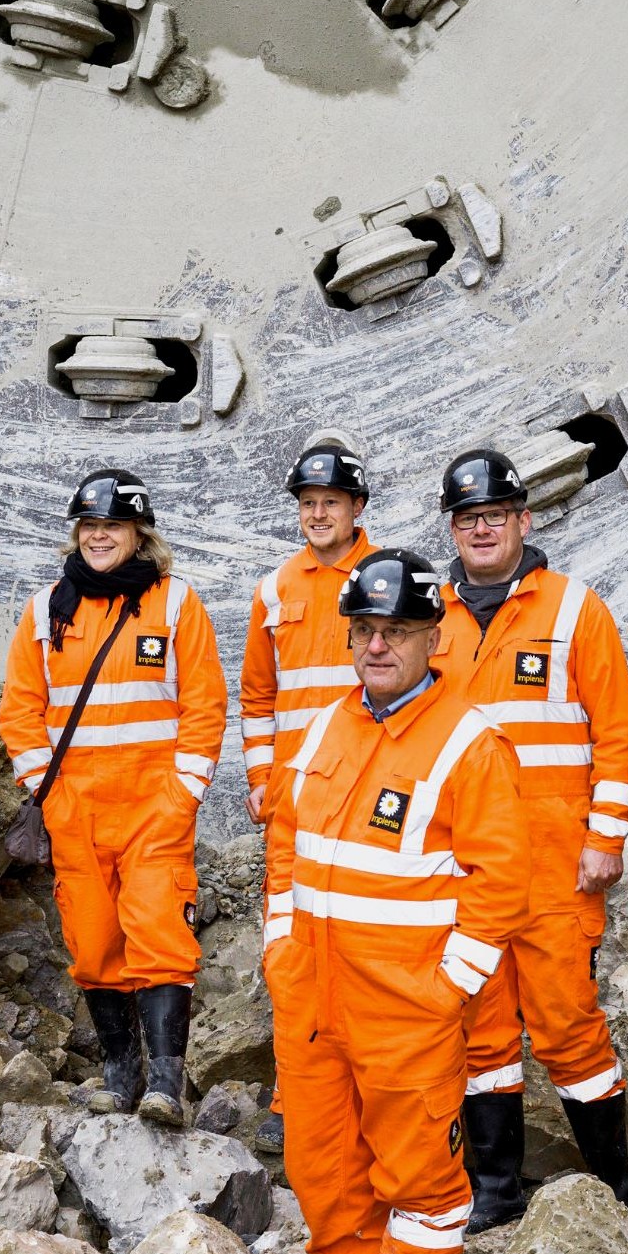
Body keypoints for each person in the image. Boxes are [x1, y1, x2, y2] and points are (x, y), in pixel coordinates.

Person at [261, 549, 528, 1254]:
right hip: (312, 992)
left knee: (418, 1165)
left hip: (407, 1001)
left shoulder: (469, 741)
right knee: (321, 1155)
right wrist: (278, 943)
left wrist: (452, 982)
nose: (378, 647)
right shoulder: (329, 724)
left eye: (397, 633)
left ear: (430, 637)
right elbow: (282, 841)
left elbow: (503, 878)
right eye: (366, 631)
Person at [431, 448, 628, 1237]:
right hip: (468, 872)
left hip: (560, 868)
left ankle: (616, 1189)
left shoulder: (572, 609)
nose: (481, 529)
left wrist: (606, 837)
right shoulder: (433, 620)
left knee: (568, 1027)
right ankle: (495, 1189)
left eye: (494, 516)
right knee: (482, 1031)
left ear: (525, 520)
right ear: (452, 530)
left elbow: (619, 733)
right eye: (466, 519)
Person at [0, 468, 228, 1125]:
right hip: (77, 811)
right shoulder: (48, 609)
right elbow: (19, 710)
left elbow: (205, 706)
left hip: (155, 807)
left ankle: (164, 1085)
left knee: (159, 936)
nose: (100, 538)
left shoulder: (177, 604)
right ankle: (119, 1075)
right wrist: (50, 792)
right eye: (90, 527)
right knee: (94, 944)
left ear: (139, 533)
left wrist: (182, 794)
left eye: (113, 527)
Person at [238, 440, 376, 1157]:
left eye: (331, 503)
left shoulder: (388, 582)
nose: (318, 515)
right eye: (307, 504)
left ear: (357, 508)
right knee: (290, 953)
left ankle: (366, 1090)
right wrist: (262, 779)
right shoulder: (274, 589)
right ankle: (295, 1096)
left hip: (368, 804)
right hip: (295, 810)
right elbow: (258, 696)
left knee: (366, 948)